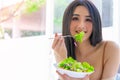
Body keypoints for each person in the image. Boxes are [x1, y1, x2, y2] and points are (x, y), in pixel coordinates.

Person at [52, 0, 120, 80]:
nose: (81, 25)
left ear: (95, 23)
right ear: (67, 22)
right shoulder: (62, 50)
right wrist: (63, 60)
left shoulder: (110, 49)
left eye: (88, 19)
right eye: (75, 18)